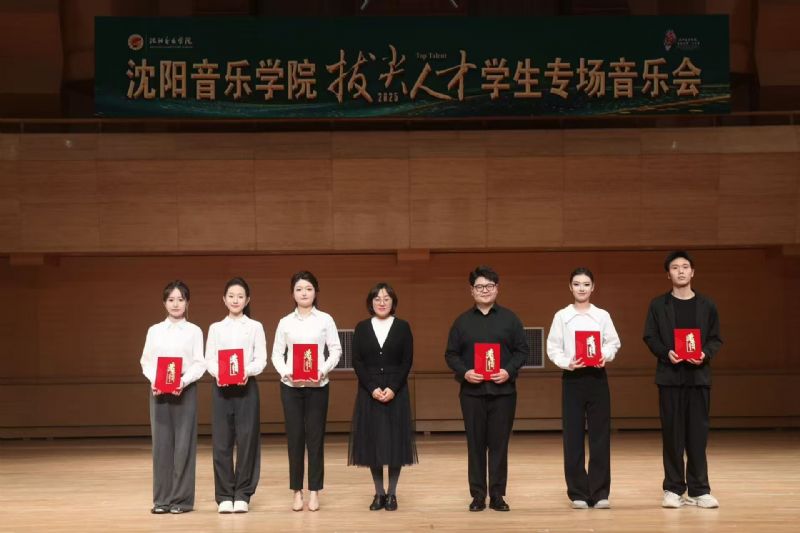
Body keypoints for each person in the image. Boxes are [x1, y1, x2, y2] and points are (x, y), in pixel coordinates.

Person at [444, 265, 529, 512]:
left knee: (500, 446)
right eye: (479, 287)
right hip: (472, 393)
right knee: (475, 445)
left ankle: (498, 496)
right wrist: (465, 372)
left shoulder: (510, 319)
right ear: (471, 290)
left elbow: (522, 350)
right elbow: (451, 354)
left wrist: (508, 371)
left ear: (497, 289)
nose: (484, 290)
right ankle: (478, 496)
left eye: (489, 286)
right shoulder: (461, 322)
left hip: (504, 393)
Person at [643, 251, 722, 509]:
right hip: (670, 378)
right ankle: (673, 489)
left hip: (698, 378)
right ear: (668, 274)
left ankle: (699, 490)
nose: (680, 271)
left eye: (685, 267)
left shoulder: (707, 305)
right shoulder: (658, 305)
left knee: (698, 435)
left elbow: (715, 338)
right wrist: (666, 353)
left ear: (692, 272)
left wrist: (705, 353)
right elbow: (650, 336)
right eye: (675, 267)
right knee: (672, 435)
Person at [546, 268, 621, 509]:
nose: (581, 288)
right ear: (570, 287)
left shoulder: (602, 315)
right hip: (573, 379)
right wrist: (567, 362)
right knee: (573, 436)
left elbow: (613, 342)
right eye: (577, 284)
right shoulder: (562, 316)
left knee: (600, 436)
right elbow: (553, 347)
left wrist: (604, 355)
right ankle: (578, 492)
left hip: (597, 378)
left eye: (586, 284)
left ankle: (600, 492)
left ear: (593, 287)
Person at [272, 271, 342, 512]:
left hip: (318, 386)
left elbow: (335, 350)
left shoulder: (325, 320)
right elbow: (276, 354)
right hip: (291, 388)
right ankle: (296, 492)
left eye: (309, 289)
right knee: (294, 439)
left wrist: (322, 370)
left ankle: (314, 491)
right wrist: (286, 372)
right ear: (292, 293)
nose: (304, 293)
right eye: (299, 289)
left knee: (315, 439)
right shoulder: (285, 322)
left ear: (316, 292)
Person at [348, 282, 418, 511]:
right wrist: (372, 388)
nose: (382, 302)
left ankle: (392, 494)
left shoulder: (403, 327)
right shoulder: (361, 328)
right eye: (377, 298)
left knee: (396, 443)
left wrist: (393, 388)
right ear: (371, 302)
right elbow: (357, 361)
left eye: (386, 298)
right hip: (369, 391)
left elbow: (406, 361)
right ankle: (379, 493)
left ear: (393, 302)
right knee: (373, 443)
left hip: (396, 391)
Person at [139, 280, 205, 514]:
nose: (176, 304)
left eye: (180, 299)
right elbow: (146, 361)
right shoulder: (154, 330)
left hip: (185, 390)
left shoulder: (194, 331)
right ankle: (162, 500)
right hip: (159, 392)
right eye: (171, 300)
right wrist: (155, 381)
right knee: (162, 445)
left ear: (187, 302)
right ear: (164, 303)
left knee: (184, 445)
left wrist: (183, 381)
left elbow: (199, 363)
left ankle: (182, 501)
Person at [205, 277, 268, 514]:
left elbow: (260, 359)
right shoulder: (215, 328)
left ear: (247, 300)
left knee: (247, 441)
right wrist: (219, 373)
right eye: (231, 296)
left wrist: (246, 372)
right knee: (221, 442)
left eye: (240, 296)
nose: (235, 300)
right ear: (224, 299)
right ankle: (224, 495)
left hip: (246, 387)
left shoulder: (255, 327)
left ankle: (242, 494)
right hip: (221, 388)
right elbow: (209, 358)